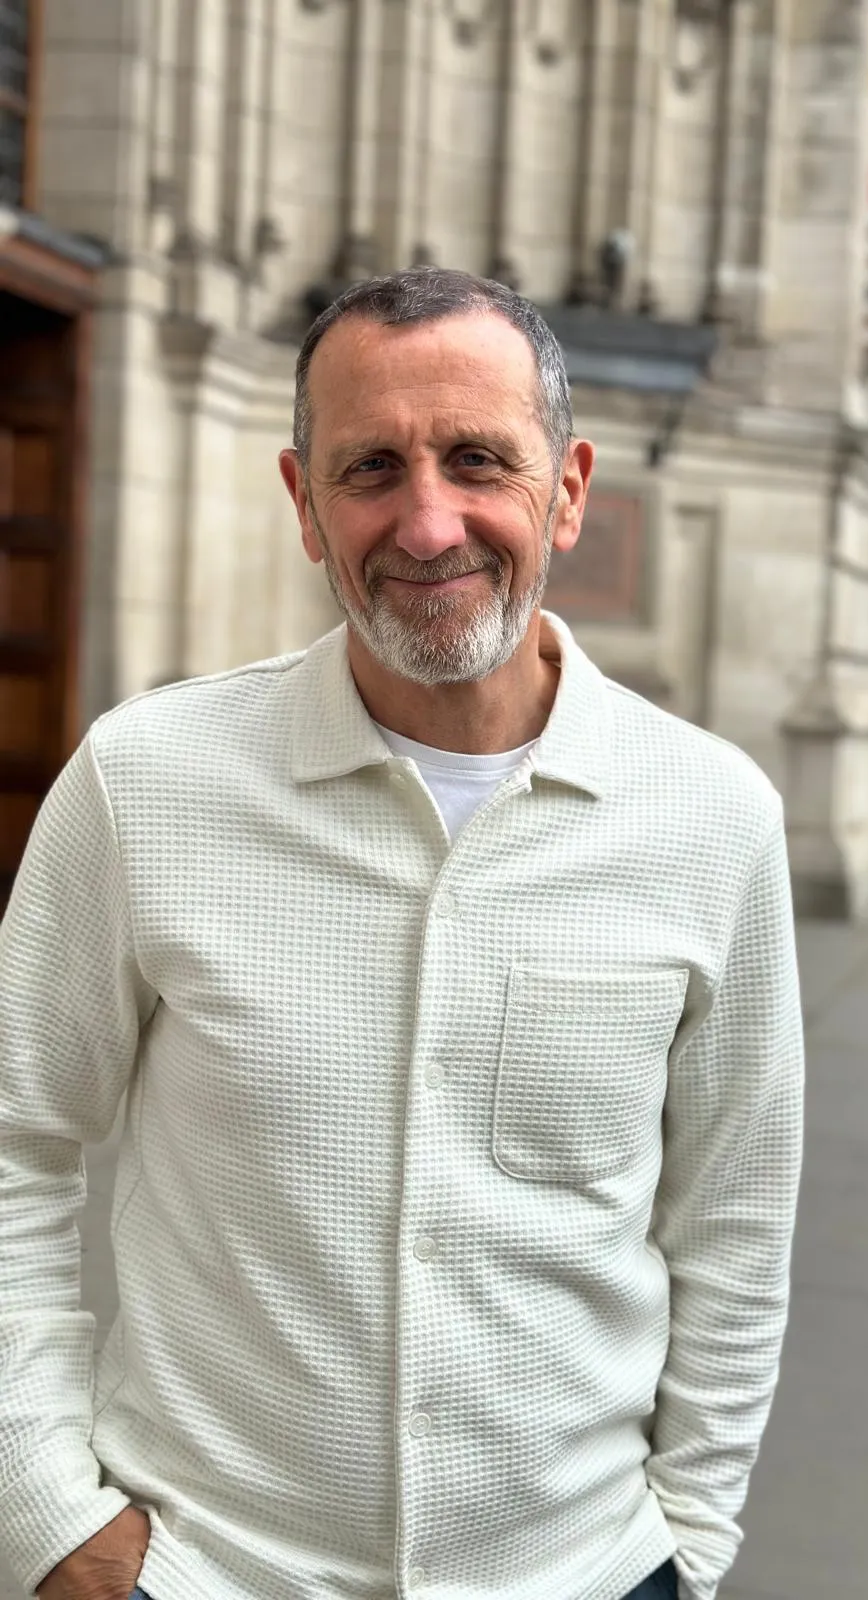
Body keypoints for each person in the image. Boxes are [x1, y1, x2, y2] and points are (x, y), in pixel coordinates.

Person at [0, 269, 805, 1600]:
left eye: (479, 459)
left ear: (568, 489)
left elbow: (735, 1222)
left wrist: (690, 1542)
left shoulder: (713, 818)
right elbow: (15, 1135)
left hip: (588, 1574)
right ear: (304, 505)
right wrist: (44, 1513)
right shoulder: (147, 783)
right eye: (371, 468)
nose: (429, 523)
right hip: (204, 1574)